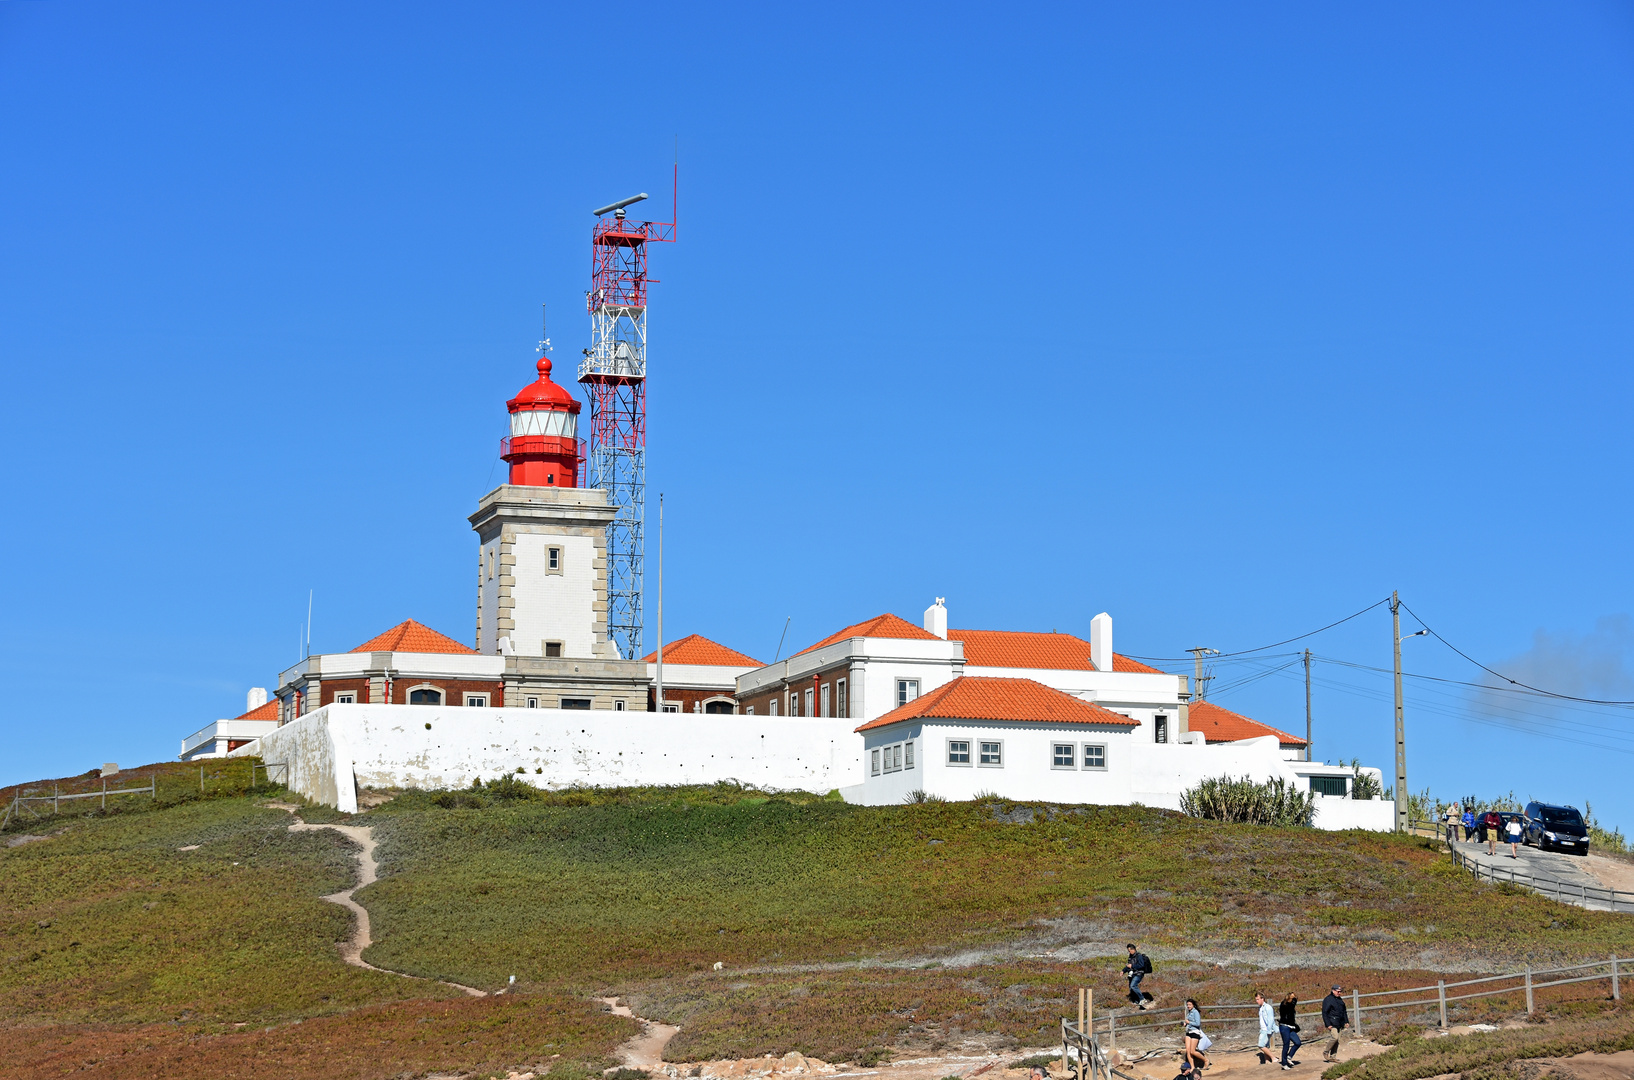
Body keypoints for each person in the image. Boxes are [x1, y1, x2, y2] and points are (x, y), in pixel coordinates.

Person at [1321, 984, 1348, 1063]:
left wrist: (1346, 1021)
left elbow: (1344, 1011)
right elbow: (1325, 1013)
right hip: (1332, 1023)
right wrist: (1328, 1024)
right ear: (1333, 991)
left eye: (1340, 992)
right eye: (1338, 991)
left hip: (1339, 1023)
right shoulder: (1328, 1000)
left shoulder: (1340, 1000)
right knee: (1335, 1037)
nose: (1339, 993)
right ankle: (1326, 1052)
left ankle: (1333, 1057)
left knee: (1337, 1040)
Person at [1123, 943, 1154, 1009]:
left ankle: (1142, 999)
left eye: (1130, 950)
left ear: (1133, 949)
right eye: (1128, 951)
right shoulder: (1130, 957)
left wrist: (1132, 966)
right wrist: (1123, 971)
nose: (1129, 952)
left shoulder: (1139, 956)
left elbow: (1141, 965)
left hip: (1139, 974)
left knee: (1133, 985)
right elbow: (1129, 965)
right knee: (1131, 988)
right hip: (1132, 974)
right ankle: (1136, 1000)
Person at [1183, 998, 1210, 1073]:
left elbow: (1198, 1023)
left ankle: (1205, 1060)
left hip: (1195, 1032)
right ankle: (1192, 1067)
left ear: (1193, 1005)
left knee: (1192, 1051)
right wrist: (1185, 1024)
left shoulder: (1196, 1012)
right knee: (1188, 1051)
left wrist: (1189, 1022)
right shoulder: (1189, 1012)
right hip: (1188, 1032)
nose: (1188, 1006)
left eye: (1189, 1005)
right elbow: (1188, 1021)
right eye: (1187, 1005)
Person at [1278, 993, 1302, 1070]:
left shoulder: (1291, 1005)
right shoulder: (1284, 1005)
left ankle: (1289, 1056)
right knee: (1286, 1044)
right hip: (1284, 1027)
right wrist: (1294, 999)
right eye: (1293, 997)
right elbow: (1290, 1007)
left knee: (1297, 1042)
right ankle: (1284, 1063)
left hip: (1291, 1026)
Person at [1256, 992, 1276, 1065]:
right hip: (1263, 1029)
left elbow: (1270, 1019)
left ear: (1262, 999)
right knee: (1265, 1046)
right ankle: (1267, 1061)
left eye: (1258, 999)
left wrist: (1269, 1029)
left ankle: (1273, 1058)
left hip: (1266, 1029)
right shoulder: (1261, 1008)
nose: (1257, 1001)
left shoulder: (1267, 1007)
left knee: (1261, 1045)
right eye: (1256, 999)